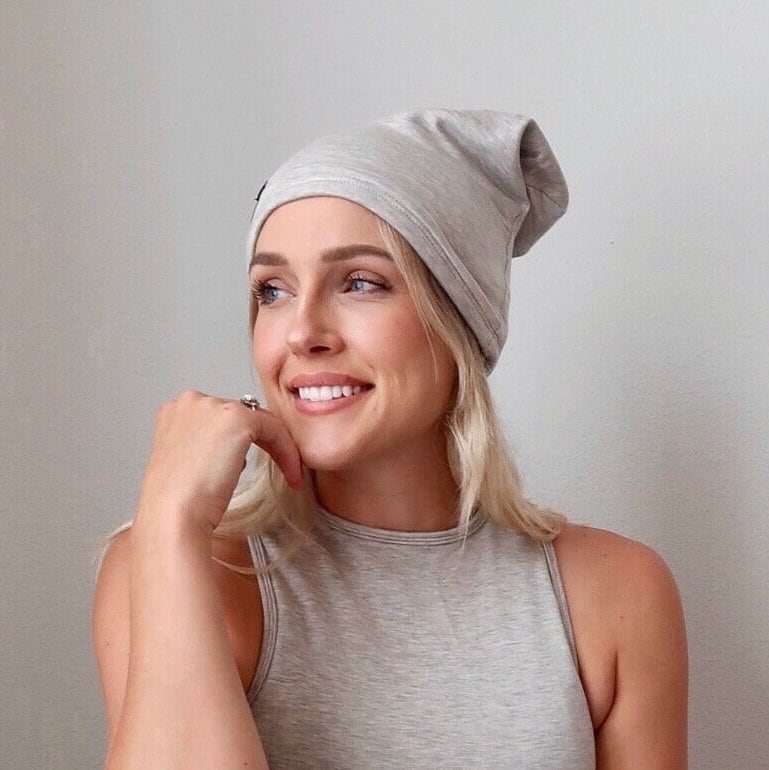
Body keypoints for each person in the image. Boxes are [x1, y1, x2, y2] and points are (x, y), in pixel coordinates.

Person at [92, 108, 688, 769]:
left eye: (359, 282)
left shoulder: (615, 594)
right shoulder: (182, 564)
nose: (301, 332)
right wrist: (171, 516)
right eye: (273, 290)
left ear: (459, 322)